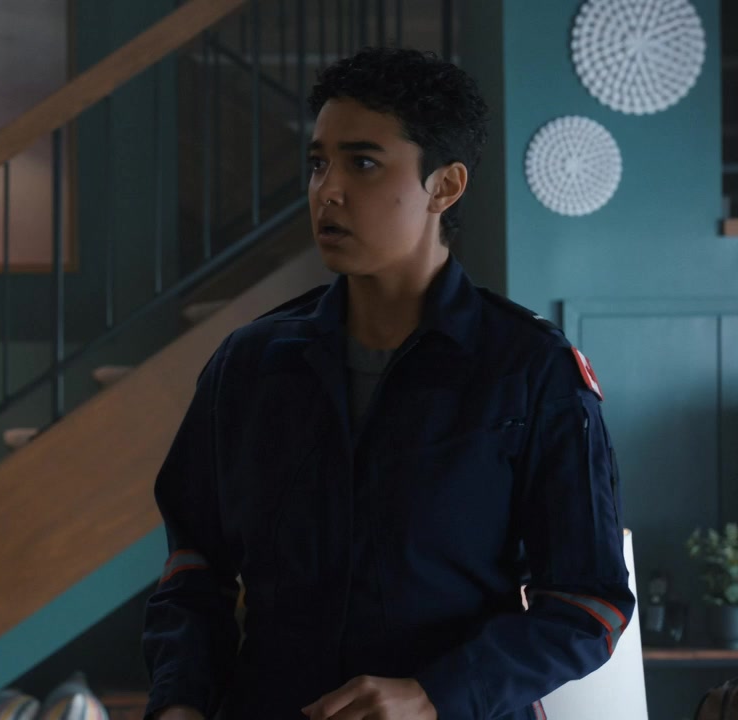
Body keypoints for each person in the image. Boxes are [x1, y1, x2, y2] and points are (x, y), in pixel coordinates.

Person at [142, 47, 634, 720]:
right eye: (319, 163)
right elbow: (193, 567)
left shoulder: (530, 370)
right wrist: (179, 701)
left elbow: (590, 603)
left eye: (363, 163)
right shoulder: (250, 366)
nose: (328, 190)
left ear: (445, 186)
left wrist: (435, 695)